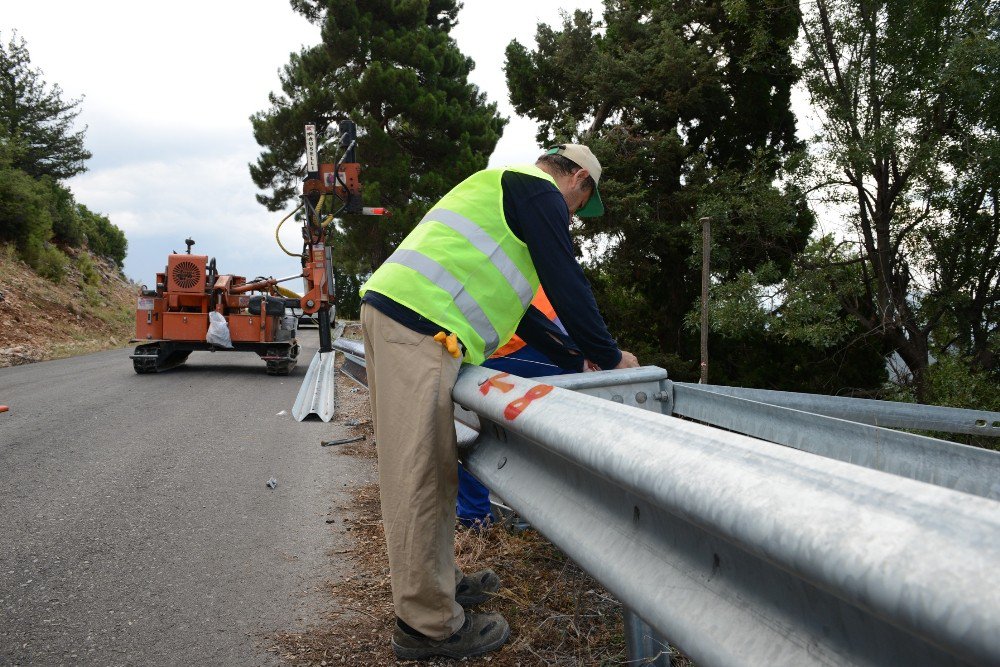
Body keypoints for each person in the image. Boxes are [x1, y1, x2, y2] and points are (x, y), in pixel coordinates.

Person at [359, 143, 639, 660]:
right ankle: (428, 626)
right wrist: (609, 354)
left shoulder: (507, 197)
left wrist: (577, 360)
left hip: (412, 323)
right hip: (417, 326)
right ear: (577, 177)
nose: (575, 216)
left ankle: (437, 583)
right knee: (418, 475)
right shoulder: (538, 192)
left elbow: (527, 317)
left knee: (434, 468)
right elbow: (567, 280)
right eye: (582, 203)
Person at [457, 287, 584, 528]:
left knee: (465, 425)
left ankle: (475, 518)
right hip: (540, 334)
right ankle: (480, 517)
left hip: (498, 337)